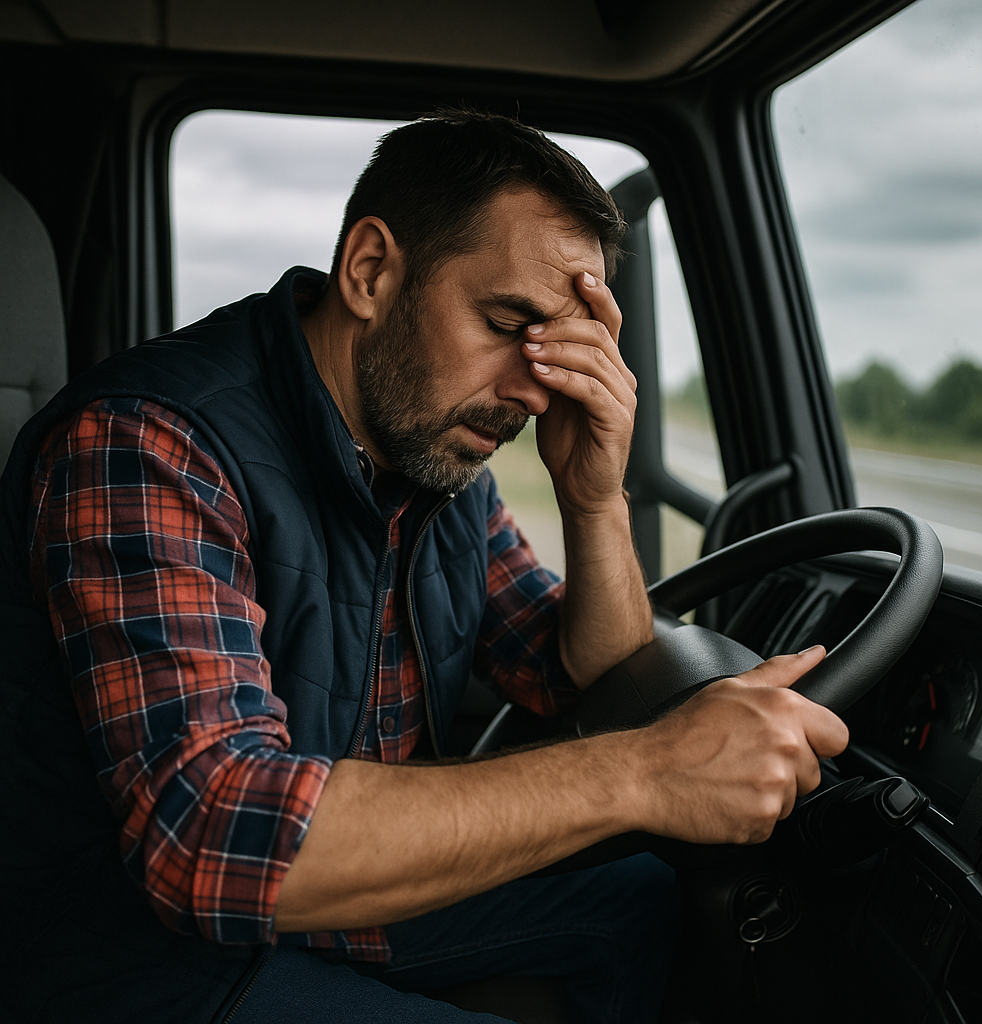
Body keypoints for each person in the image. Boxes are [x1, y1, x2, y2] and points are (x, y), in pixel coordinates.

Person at [0, 109, 848, 1023]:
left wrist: (594, 500)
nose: (533, 390)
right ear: (371, 270)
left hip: (333, 897)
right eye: (506, 321)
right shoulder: (150, 444)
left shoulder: (439, 455)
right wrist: (645, 771)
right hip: (122, 955)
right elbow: (213, 835)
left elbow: (577, 672)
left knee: (642, 895)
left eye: (557, 349)